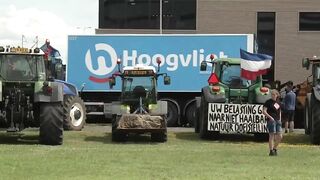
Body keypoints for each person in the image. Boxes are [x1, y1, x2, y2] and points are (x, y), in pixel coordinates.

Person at [263, 89, 282, 156]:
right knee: (272, 135)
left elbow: (279, 112)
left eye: (274, 94)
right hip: (271, 120)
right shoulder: (268, 102)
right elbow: (264, 111)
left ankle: (275, 148)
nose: (273, 96)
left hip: (277, 120)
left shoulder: (278, 102)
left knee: (280, 136)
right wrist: (270, 117)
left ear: (277, 95)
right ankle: (271, 151)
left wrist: (280, 119)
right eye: (272, 94)